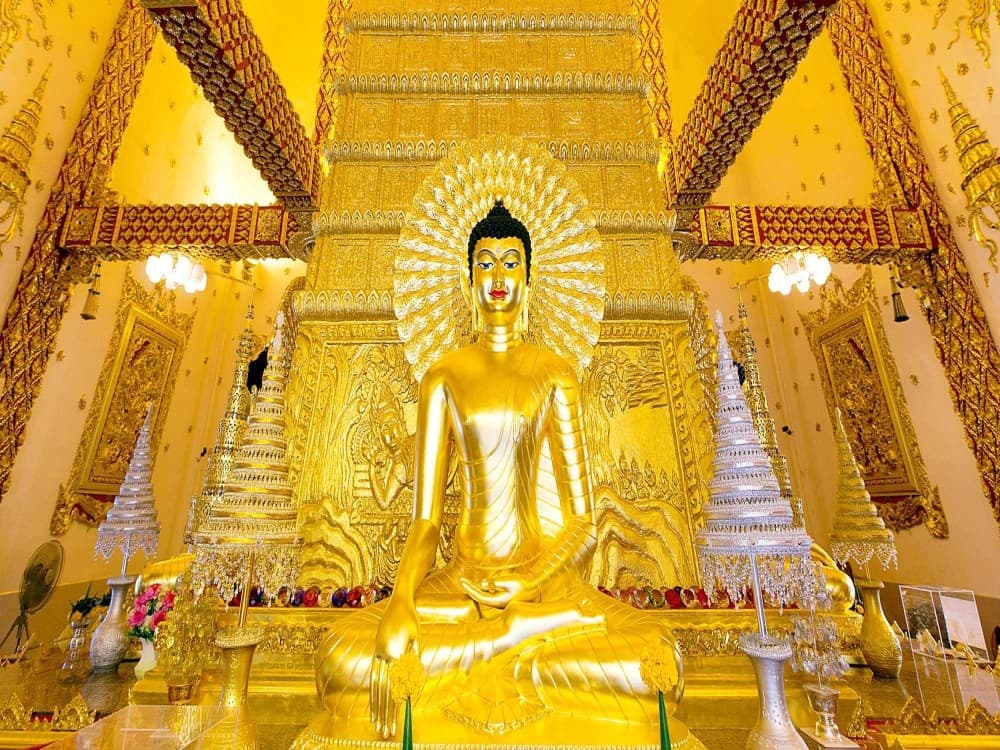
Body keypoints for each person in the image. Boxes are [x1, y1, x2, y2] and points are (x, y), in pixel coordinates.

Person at [315, 203, 687, 740]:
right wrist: (399, 604)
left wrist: (526, 583)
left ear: (530, 282)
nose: (497, 277)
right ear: (468, 281)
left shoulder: (556, 373)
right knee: (340, 658)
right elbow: (425, 523)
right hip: (458, 585)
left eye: (511, 263)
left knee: (657, 659)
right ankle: (512, 640)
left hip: (541, 585)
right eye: (485, 263)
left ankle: (509, 634)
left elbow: (583, 524)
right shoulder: (442, 376)